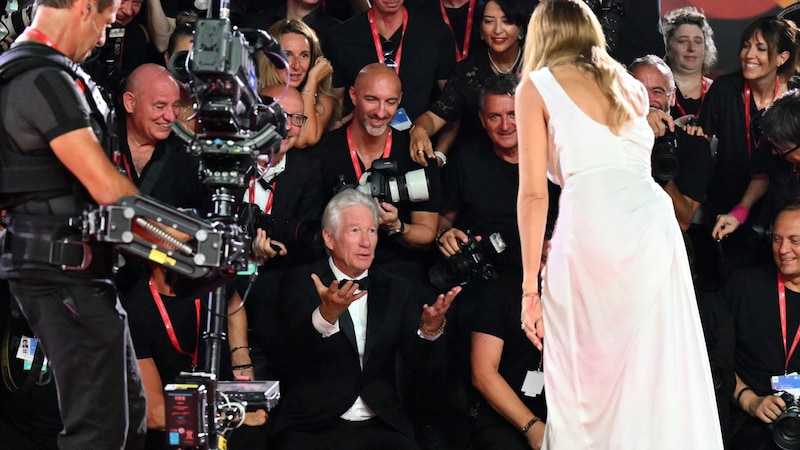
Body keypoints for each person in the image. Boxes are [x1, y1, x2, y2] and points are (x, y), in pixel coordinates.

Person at [515, 1, 723, 448]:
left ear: (543, 35)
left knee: (583, 381)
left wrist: (530, 289)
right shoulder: (629, 85)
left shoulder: (537, 85)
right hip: (651, 230)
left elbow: (534, 194)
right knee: (655, 376)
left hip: (592, 227)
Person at [0, 0, 148, 447]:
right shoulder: (39, 78)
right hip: (60, 276)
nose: (104, 38)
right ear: (85, 7)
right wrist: (187, 242)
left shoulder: (52, 73)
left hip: (83, 276)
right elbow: (107, 188)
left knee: (127, 420)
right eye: (104, 22)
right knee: (99, 432)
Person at [266, 188, 461, 449]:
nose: (366, 242)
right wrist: (326, 316)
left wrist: (429, 330)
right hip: (314, 424)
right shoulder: (302, 282)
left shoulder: (397, 288)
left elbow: (423, 371)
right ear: (329, 237)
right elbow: (289, 356)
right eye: (355, 231)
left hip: (381, 423)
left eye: (371, 231)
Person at [433, 74, 548, 449]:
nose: (505, 125)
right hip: (486, 282)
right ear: (482, 120)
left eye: (513, 114)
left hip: (546, 279)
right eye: (495, 117)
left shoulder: (551, 158)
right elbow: (444, 220)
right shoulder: (467, 158)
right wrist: (444, 235)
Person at [699, 17, 799, 284]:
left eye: (761, 48)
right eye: (746, 46)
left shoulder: (795, 97)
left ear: (782, 57)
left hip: (784, 213)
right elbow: (759, 174)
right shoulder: (724, 90)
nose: (749, 55)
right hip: (731, 208)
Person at [311, 63, 441, 267]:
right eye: (371, 99)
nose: (381, 112)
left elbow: (427, 233)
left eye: (390, 102)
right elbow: (311, 231)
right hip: (336, 266)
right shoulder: (324, 152)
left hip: (398, 271)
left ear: (399, 101)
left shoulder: (417, 153)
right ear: (353, 96)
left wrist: (396, 226)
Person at [409, 0, 533, 166]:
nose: (497, 30)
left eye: (507, 21)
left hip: (535, 155)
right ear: (481, 30)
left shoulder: (540, 64)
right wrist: (418, 130)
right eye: (489, 21)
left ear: (521, 30)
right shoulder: (468, 71)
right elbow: (434, 116)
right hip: (484, 163)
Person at [723, 202, 800, 450]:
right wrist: (749, 401)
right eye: (777, 239)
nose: (783, 249)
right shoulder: (744, 286)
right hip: (748, 432)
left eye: (794, 240)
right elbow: (710, 358)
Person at [326, 0, 456, 122]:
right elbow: (336, 101)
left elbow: (451, 101)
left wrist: (435, 140)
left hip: (419, 139)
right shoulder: (341, 37)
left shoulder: (435, 32)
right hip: (362, 138)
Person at [628, 55, 712, 232]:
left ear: (672, 97)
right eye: (639, 91)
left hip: (664, 241)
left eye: (657, 91)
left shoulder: (694, 144)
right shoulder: (612, 139)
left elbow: (683, 221)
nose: (649, 101)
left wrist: (661, 172)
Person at [257, 19, 339, 148]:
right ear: (270, 57)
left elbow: (303, 139)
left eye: (304, 55)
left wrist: (312, 82)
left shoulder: (323, 102)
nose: (296, 65)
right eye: (287, 54)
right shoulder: (254, 94)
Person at [661, 6, 718, 122]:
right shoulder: (655, 90)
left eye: (698, 42)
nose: (691, 48)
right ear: (668, 46)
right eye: (683, 41)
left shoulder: (719, 92)